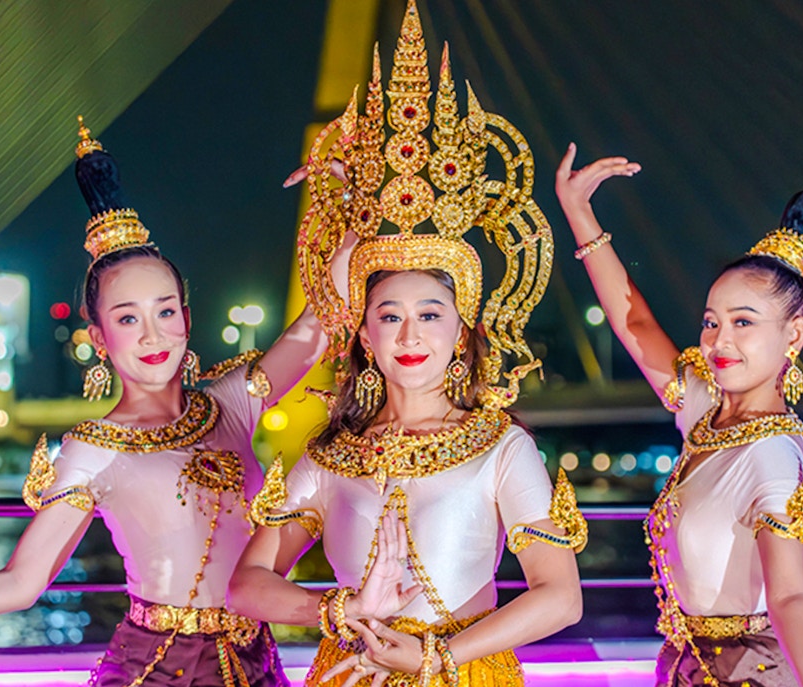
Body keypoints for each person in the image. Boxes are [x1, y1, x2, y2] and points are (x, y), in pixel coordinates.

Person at [0, 117, 342, 687]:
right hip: (157, 668)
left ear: (187, 320)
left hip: (254, 663)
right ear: (99, 338)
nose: (152, 334)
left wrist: (345, 201)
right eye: (127, 318)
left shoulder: (231, 404)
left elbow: (320, 322)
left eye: (165, 311)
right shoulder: (92, 451)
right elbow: (22, 582)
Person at [228, 4, 586, 687]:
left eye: (431, 313)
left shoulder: (500, 447)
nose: (410, 333)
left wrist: (436, 655)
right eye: (389, 315)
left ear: (462, 332)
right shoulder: (334, 455)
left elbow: (560, 596)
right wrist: (337, 609)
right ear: (364, 334)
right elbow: (247, 585)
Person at [555, 145, 803, 687]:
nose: (719, 341)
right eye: (712, 322)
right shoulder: (706, 412)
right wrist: (578, 210)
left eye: (744, 323)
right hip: (687, 663)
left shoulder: (771, 454)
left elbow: (789, 593)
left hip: (748, 673)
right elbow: (635, 324)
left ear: (795, 336)